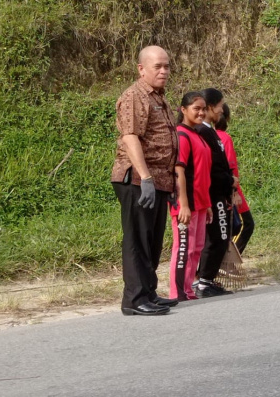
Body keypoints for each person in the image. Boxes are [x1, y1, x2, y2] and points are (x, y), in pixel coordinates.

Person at [111, 45, 179, 316]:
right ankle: (134, 299)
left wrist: (168, 182)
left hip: (158, 180)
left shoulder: (159, 97)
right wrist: (147, 178)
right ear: (141, 69)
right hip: (138, 180)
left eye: (167, 66)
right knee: (137, 240)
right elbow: (130, 138)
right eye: (157, 67)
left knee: (152, 240)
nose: (164, 71)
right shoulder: (134, 96)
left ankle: (148, 292)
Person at [169, 92, 212, 301]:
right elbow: (179, 171)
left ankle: (187, 289)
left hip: (202, 203)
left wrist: (208, 204)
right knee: (183, 248)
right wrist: (183, 204)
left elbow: (203, 173)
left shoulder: (199, 135)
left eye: (204, 108)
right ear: (183, 110)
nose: (201, 112)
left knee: (196, 248)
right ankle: (177, 292)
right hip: (187, 204)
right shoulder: (182, 135)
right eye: (196, 108)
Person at [194, 88, 237, 298]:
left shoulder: (209, 130)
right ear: (211, 106)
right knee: (218, 237)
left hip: (220, 190)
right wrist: (228, 180)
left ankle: (205, 280)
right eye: (220, 105)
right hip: (213, 192)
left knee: (220, 236)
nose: (221, 110)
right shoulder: (202, 131)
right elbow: (211, 166)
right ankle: (203, 281)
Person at [217, 104, 255, 255]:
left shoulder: (203, 135)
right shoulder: (224, 138)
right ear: (227, 117)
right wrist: (234, 192)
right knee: (246, 224)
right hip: (230, 188)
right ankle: (230, 259)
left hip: (219, 189)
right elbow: (230, 167)